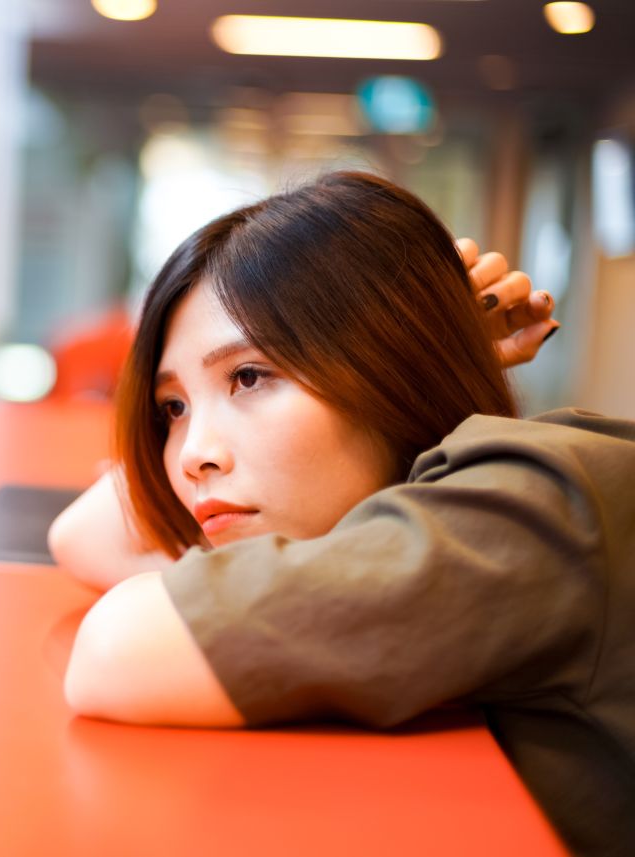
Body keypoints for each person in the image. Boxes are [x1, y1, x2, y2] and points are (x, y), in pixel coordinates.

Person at [51, 171, 633, 857]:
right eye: (173, 407)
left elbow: (115, 650)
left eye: (248, 376)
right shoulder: (431, 508)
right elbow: (81, 533)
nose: (193, 455)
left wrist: (424, 342)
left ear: (387, 362)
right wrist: (444, 339)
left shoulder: (523, 503)